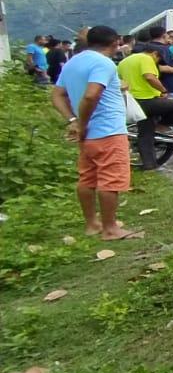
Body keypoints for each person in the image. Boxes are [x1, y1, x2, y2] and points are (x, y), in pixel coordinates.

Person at [50, 26, 141, 241]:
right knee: (110, 180)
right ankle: (110, 228)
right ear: (115, 43)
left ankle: (92, 223)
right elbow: (92, 95)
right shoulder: (104, 63)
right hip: (108, 130)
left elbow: (57, 95)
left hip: (88, 135)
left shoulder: (73, 61)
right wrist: (82, 122)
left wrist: (73, 120)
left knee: (87, 178)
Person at [117, 44, 173, 169]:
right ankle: (163, 125)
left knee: (146, 134)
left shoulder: (123, 62)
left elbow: (120, 81)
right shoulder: (146, 58)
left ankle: (150, 165)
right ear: (155, 53)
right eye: (158, 59)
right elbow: (149, 77)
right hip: (148, 100)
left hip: (134, 102)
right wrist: (163, 90)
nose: (157, 62)